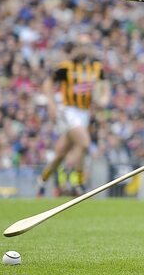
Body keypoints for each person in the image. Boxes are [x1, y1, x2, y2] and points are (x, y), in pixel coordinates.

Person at [38, 34, 107, 197]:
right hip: (68, 111)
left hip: (84, 114)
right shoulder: (66, 67)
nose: (84, 49)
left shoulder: (96, 68)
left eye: (87, 45)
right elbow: (47, 84)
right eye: (81, 45)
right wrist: (51, 105)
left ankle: (41, 182)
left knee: (60, 154)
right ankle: (79, 182)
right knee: (84, 143)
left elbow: (104, 88)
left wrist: (103, 99)